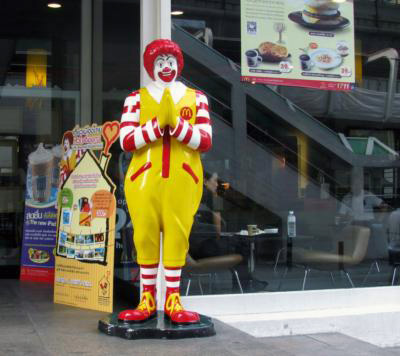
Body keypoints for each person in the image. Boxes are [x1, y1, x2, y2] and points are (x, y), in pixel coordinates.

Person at [118, 39, 212, 324]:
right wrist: (158, 125)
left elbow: (205, 141)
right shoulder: (135, 98)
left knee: (177, 236)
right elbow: (126, 140)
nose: (166, 67)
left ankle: (173, 299)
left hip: (183, 180)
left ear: (179, 65)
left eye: (170, 61)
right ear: (150, 67)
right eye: (159, 62)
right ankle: (146, 299)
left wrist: (177, 124)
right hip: (143, 180)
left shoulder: (197, 99)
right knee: (144, 235)